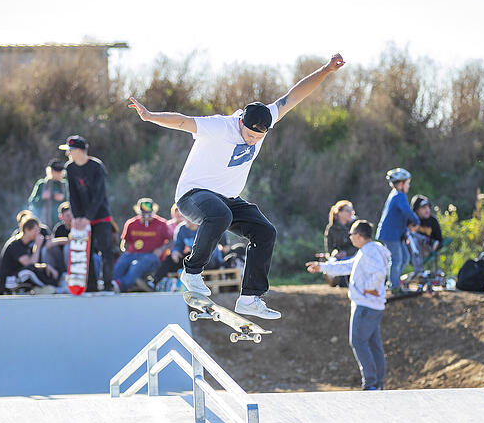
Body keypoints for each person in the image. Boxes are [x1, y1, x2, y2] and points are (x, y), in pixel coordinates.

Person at [128, 53, 346, 318]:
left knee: (265, 232)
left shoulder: (267, 117)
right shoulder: (220, 126)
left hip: (228, 198)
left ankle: (250, 298)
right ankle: (192, 271)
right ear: (241, 122)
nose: (253, 141)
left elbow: (293, 96)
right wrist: (150, 116)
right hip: (193, 195)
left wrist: (325, 70)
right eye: (250, 135)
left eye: (259, 137)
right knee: (220, 214)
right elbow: (183, 121)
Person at [305, 220, 390, 390]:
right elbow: (347, 266)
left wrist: (369, 289)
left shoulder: (369, 252)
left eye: (351, 234)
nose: (350, 237)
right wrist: (322, 267)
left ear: (358, 235)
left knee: (358, 342)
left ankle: (371, 383)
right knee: (373, 345)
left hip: (365, 305)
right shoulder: (367, 251)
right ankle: (377, 384)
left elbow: (380, 272)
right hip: (371, 305)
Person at [60, 135, 114, 292]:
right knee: (86, 252)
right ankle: (91, 286)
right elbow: (72, 195)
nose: (67, 154)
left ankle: (108, 285)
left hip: (100, 215)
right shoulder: (69, 168)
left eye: (70, 150)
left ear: (78, 150)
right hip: (81, 218)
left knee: (106, 251)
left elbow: (99, 195)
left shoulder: (97, 166)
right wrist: (77, 217)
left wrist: (88, 217)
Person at [113, 198, 172, 292]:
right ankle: (113, 283)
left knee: (136, 266)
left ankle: (121, 285)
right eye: (143, 214)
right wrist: (125, 250)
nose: (146, 216)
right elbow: (124, 242)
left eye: (149, 213)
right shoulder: (131, 223)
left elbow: (171, 241)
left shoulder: (161, 223)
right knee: (122, 262)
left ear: (154, 211)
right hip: (133, 253)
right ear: (138, 212)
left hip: (152, 256)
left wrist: (161, 249)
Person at [376, 168, 420, 293]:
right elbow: (407, 211)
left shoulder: (397, 195)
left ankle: (394, 282)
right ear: (400, 184)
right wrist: (416, 221)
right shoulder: (399, 196)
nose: (409, 185)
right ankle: (394, 287)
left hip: (396, 234)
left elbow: (401, 215)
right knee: (397, 259)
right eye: (407, 183)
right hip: (390, 234)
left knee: (405, 257)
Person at [151, 219, 224, 289]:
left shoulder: (205, 228)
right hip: (194, 257)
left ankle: (192, 286)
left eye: (190, 218)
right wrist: (175, 252)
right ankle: (154, 282)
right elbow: (178, 245)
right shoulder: (182, 228)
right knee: (170, 258)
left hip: (211, 258)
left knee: (192, 259)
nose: (188, 220)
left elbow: (211, 250)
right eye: (186, 218)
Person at [0, 216, 56, 294]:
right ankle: (49, 287)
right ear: (26, 230)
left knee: (38, 269)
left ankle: (43, 287)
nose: (38, 234)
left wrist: (46, 266)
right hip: (9, 280)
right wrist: (38, 246)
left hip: (20, 276)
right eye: (35, 231)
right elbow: (30, 265)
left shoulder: (27, 244)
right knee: (29, 271)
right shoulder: (15, 244)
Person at [323, 200, 357, 287]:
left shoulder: (355, 226)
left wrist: (346, 253)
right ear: (339, 213)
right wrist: (335, 253)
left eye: (351, 211)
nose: (351, 213)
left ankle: (344, 281)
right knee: (332, 261)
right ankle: (333, 279)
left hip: (353, 255)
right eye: (348, 211)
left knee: (348, 261)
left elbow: (358, 245)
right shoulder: (331, 228)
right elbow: (329, 247)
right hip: (338, 257)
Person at [27, 159, 68, 229]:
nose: (59, 173)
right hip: (44, 223)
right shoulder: (42, 184)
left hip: (63, 224)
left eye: (60, 171)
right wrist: (42, 198)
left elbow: (73, 202)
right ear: (50, 171)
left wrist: (63, 199)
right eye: (56, 171)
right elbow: (32, 202)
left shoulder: (65, 185)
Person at [409, 194, 443, 275]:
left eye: (428, 207)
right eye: (423, 207)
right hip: (412, 250)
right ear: (416, 210)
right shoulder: (411, 221)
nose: (427, 209)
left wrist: (435, 245)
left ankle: (427, 241)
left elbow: (439, 240)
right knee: (412, 236)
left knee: (414, 236)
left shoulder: (433, 221)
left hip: (427, 249)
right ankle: (419, 272)